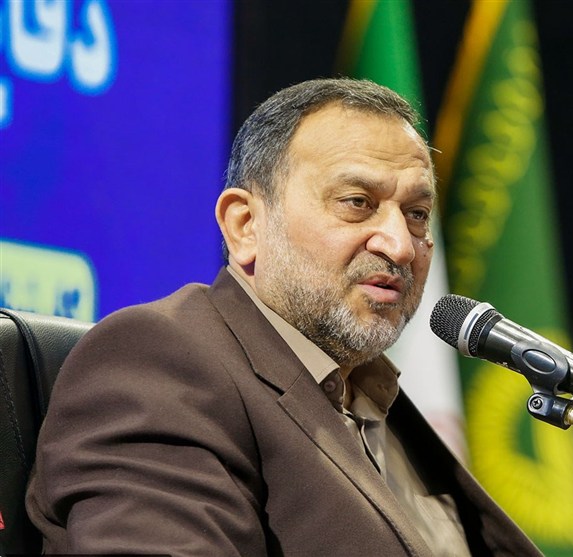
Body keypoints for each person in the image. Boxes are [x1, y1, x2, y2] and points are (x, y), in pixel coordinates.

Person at [25, 78, 543, 556]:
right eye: (357, 202)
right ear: (245, 225)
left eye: (417, 214)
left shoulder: (372, 396)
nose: (401, 246)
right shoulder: (157, 362)